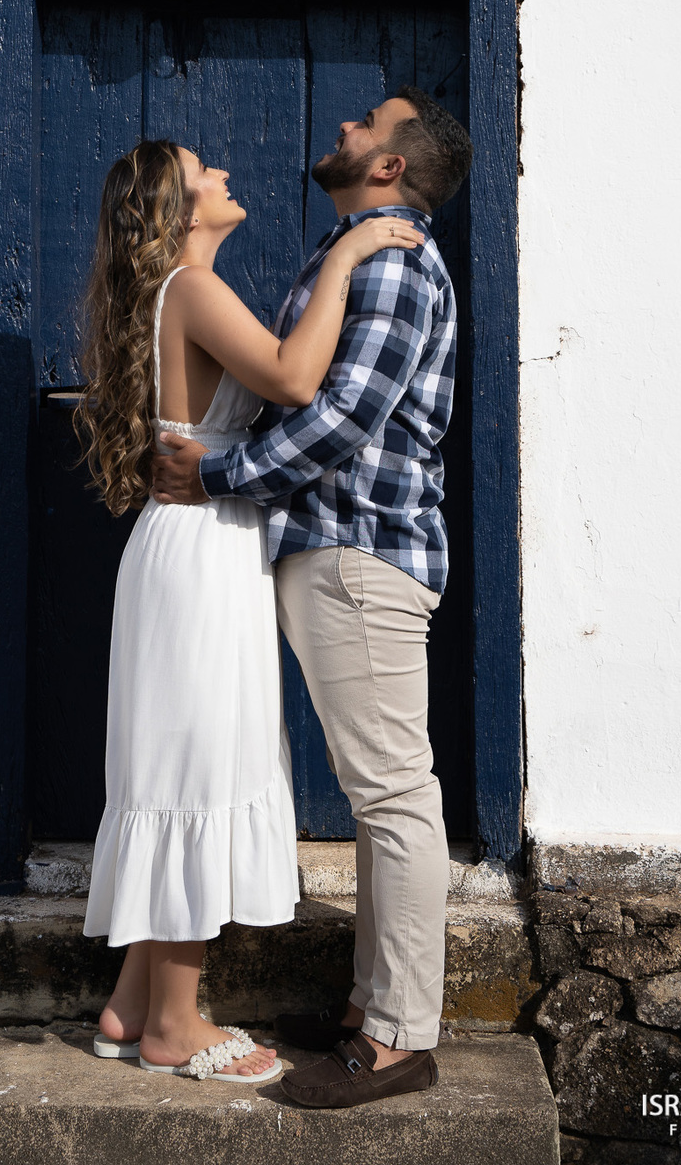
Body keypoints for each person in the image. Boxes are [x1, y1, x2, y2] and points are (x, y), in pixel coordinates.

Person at [152, 87, 472, 1109]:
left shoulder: (391, 263)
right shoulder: (360, 256)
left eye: (365, 127)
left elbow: (337, 425)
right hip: (338, 554)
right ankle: (370, 1011)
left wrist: (209, 474)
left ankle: (396, 1041)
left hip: (361, 553)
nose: (341, 127)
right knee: (385, 796)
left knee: (392, 796)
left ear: (392, 166)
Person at [76, 137, 420, 1083]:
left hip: (191, 544)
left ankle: (134, 1003)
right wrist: (348, 255)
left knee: (175, 766)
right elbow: (296, 378)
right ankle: (175, 1031)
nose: (227, 171)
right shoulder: (190, 286)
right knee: (194, 771)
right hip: (200, 549)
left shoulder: (177, 290)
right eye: (205, 171)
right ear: (180, 208)